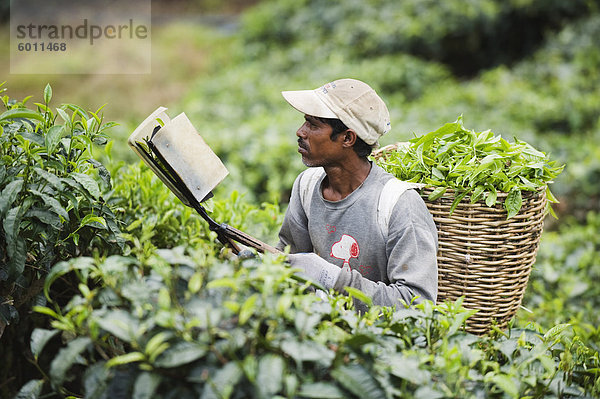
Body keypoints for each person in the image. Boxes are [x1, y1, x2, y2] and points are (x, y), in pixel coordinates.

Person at [276, 78, 438, 310]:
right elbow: (288, 256)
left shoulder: (399, 205)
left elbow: (418, 304)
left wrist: (334, 279)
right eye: (305, 122)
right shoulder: (306, 186)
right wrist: (262, 266)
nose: (300, 132)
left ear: (347, 138)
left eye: (313, 125)